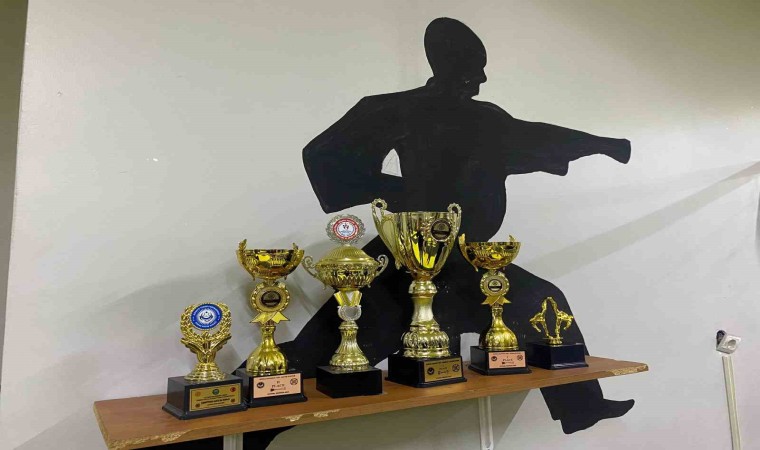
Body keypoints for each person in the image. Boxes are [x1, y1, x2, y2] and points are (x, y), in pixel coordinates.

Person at [244, 17, 634, 449]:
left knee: (542, 303)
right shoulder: (398, 108)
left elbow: (535, 138)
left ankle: (581, 407)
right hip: (409, 254)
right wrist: (397, 191)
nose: (482, 77)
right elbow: (324, 155)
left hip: (468, 259)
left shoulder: (485, 118)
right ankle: (244, 422)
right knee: (334, 344)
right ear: (452, 64)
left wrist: (599, 144)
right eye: (476, 67)